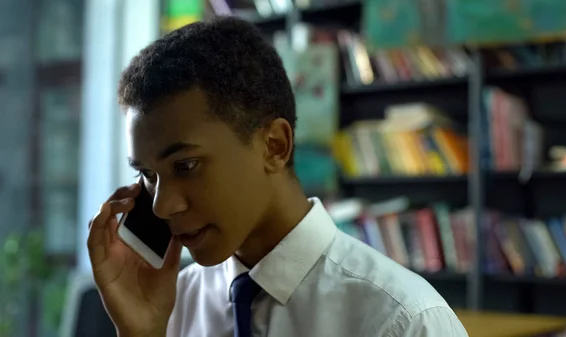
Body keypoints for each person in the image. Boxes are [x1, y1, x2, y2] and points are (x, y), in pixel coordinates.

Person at [87, 16, 469, 337]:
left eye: (186, 166)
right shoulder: (173, 305)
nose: (163, 205)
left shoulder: (402, 321)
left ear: (274, 146)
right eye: (148, 175)